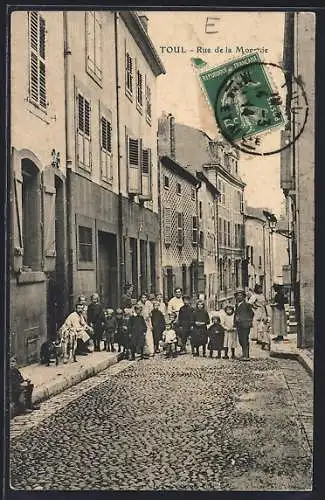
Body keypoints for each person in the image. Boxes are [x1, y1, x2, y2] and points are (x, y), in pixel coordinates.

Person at [234, 288, 254, 360]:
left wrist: (247, 320)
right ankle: (243, 353)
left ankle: (246, 355)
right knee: (241, 339)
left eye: (241, 295)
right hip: (239, 325)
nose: (239, 297)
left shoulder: (247, 305)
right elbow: (235, 314)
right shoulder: (236, 305)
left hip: (245, 325)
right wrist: (235, 322)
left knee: (245, 339)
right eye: (238, 295)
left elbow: (251, 313)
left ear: (244, 296)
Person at [137, 293, 155, 357]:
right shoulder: (139, 304)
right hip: (141, 322)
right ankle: (143, 351)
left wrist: (150, 324)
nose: (144, 299)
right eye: (142, 297)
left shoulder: (149, 303)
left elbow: (151, 313)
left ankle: (151, 351)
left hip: (148, 321)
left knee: (149, 336)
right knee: (142, 337)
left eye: (145, 297)